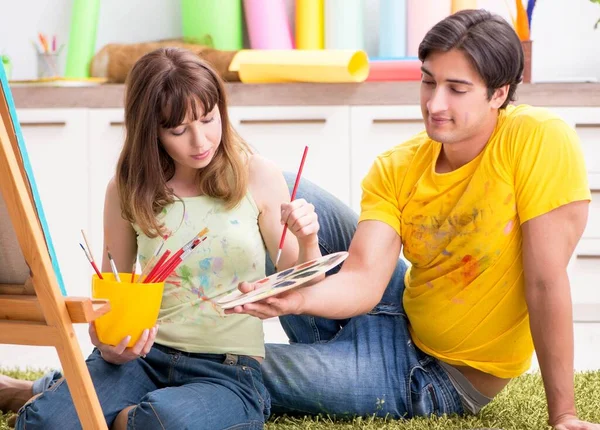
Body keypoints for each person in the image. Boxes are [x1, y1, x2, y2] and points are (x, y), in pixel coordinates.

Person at [226, 9, 600, 430]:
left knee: (230, 365)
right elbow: (365, 279)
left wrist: (564, 414)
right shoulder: (398, 166)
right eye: (428, 81)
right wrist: (298, 298)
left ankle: (186, 357)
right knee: (273, 184)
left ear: (498, 94)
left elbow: (545, 281)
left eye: (457, 89)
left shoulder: (537, 139)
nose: (434, 104)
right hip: (395, 306)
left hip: (435, 376)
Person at [8, 47, 323, 429]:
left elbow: (301, 277)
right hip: (143, 359)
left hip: (227, 370)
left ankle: (119, 418)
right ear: (151, 131)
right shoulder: (126, 189)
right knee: (44, 423)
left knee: (163, 420)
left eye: (209, 119)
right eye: (178, 130)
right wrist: (106, 339)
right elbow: (112, 295)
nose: (201, 140)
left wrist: (308, 239)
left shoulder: (257, 174)